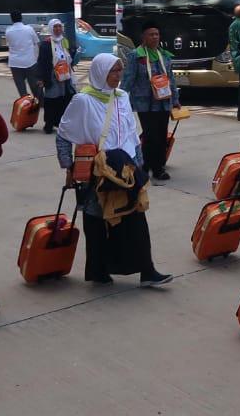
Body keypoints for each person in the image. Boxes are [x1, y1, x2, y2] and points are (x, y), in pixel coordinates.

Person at [56, 54, 173, 288]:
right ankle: (98, 270)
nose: (119, 76)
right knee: (96, 219)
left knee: (136, 216)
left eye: (120, 71)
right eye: (114, 71)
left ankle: (147, 270)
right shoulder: (83, 100)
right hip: (98, 170)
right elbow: (63, 134)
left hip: (126, 167)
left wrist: (138, 164)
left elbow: (131, 131)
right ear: (100, 72)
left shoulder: (122, 97)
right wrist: (69, 166)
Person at [120, 23, 178, 180]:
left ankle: (157, 166)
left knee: (161, 135)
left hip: (163, 102)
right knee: (150, 135)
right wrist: (120, 97)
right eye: (151, 34)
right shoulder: (135, 56)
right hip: (144, 103)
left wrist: (176, 100)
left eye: (157, 34)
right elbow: (128, 78)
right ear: (143, 37)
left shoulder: (164, 55)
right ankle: (148, 165)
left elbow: (171, 79)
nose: (154, 37)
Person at [37, 18, 78, 134]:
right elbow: (42, 62)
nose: (58, 29)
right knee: (51, 100)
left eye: (60, 26)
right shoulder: (46, 44)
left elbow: (68, 55)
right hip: (52, 76)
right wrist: (41, 79)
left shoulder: (64, 41)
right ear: (51, 28)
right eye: (55, 27)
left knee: (65, 99)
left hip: (65, 75)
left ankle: (61, 123)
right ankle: (49, 124)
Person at [5, 11, 42, 101]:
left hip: (15, 63)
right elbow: (37, 42)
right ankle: (40, 102)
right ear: (21, 18)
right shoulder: (29, 29)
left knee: (21, 88)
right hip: (30, 61)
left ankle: (25, 104)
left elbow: (8, 44)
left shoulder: (8, 31)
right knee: (35, 85)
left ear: (11, 19)